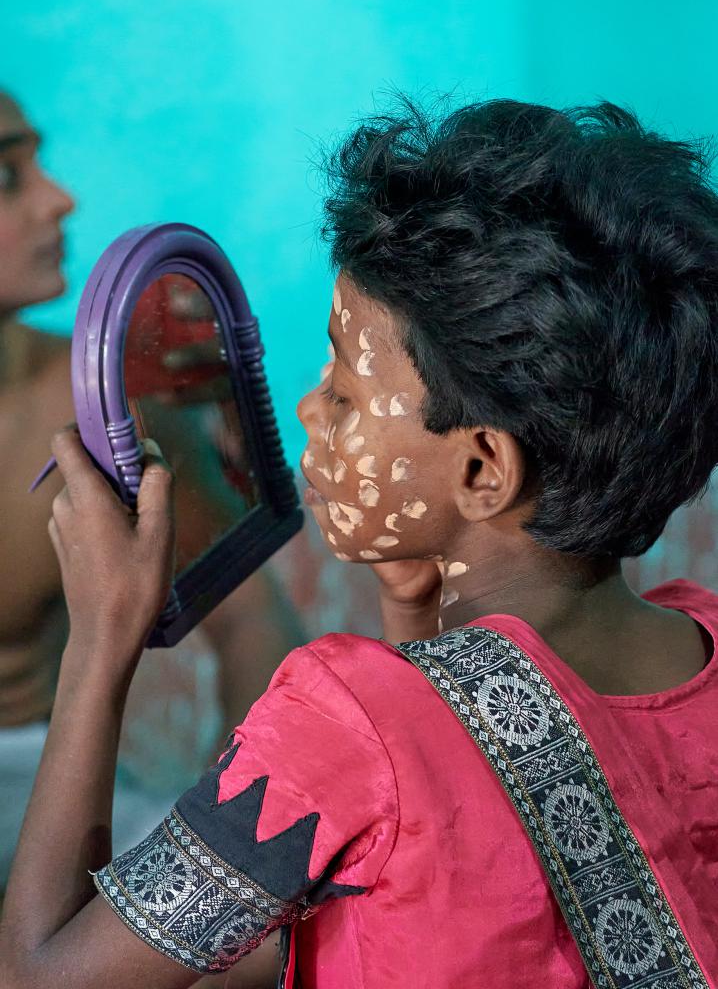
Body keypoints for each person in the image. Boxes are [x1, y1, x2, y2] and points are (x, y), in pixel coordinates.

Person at [2, 96, 717, 988]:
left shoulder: (338, 721)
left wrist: (100, 643)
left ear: (482, 470)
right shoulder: (703, 640)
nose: (309, 408)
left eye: (343, 390)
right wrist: (417, 616)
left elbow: (35, 979)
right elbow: (455, 824)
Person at [0, 91, 303, 899]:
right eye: (6, 175)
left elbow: (251, 622)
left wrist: (223, 855)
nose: (59, 197)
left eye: (36, 159)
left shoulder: (96, 406)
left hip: (39, 787)